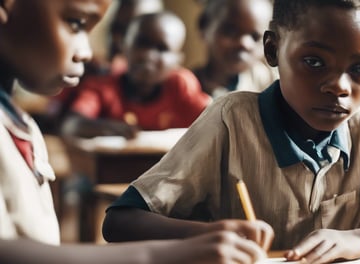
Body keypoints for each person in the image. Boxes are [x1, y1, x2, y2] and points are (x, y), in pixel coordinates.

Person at [103, 0, 360, 263]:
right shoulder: (230, 121)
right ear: (272, 50)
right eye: (314, 61)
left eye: (359, 69)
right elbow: (120, 221)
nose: (339, 86)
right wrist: (205, 237)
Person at [0, 1, 271, 263]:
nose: (86, 52)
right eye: (76, 23)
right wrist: (167, 253)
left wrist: (196, 235)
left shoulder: (21, 124)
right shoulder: (104, 86)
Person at [61, 11, 211, 139]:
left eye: (162, 48)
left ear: (177, 59)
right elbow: (71, 125)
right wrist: (115, 130)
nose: (148, 56)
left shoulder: (180, 85)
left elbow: (215, 121)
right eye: (141, 43)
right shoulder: (103, 87)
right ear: (124, 46)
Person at [192, 0, 278, 98]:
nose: (244, 43)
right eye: (230, 31)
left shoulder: (270, 85)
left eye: (255, 36)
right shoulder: (184, 86)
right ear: (204, 26)